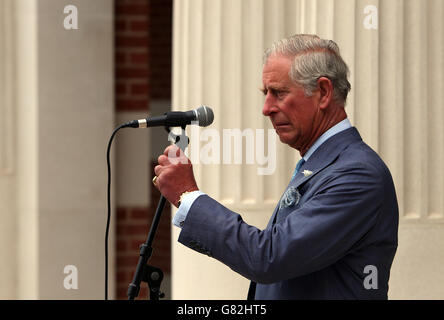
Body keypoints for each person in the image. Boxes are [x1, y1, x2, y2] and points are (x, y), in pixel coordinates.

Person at [153, 34, 399, 299]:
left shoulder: (358, 174)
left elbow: (269, 257)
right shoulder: (324, 164)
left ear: (324, 93)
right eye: (266, 93)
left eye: (279, 93)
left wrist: (188, 196)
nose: (266, 108)